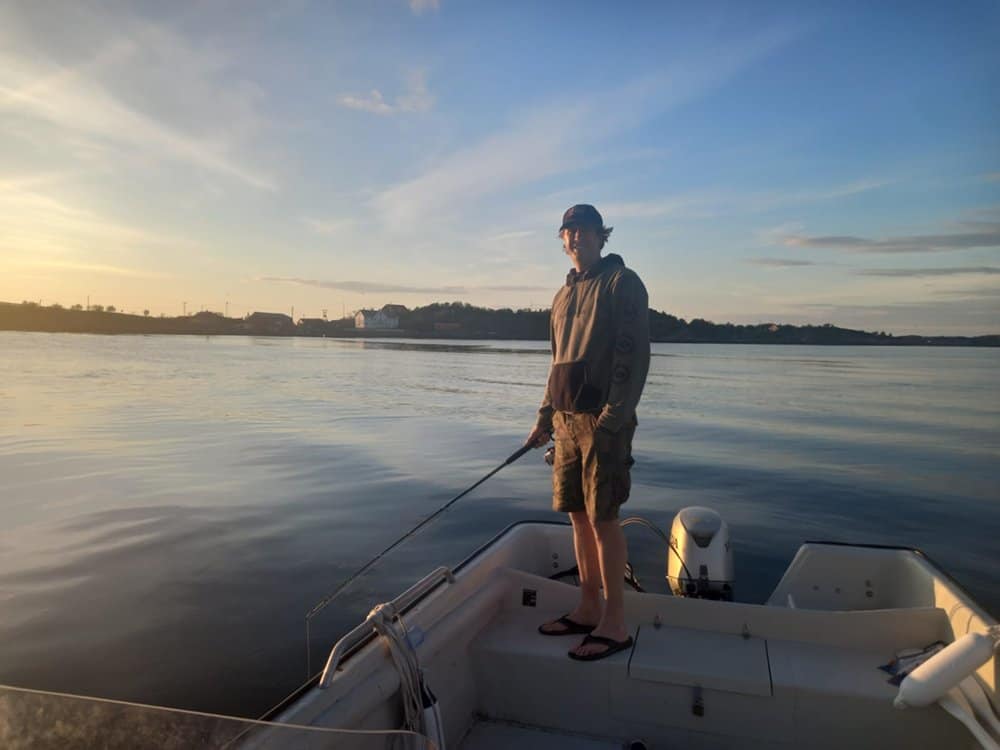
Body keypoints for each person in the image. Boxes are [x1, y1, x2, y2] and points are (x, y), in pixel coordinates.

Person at [525, 203, 650, 661]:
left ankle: (615, 624)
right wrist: (544, 419)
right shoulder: (561, 297)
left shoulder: (622, 283)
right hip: (565, 421)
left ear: (602, 236)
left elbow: (633, 356)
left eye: (585, 230)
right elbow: (555, 363)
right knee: (576, 515)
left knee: (604, 518)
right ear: (562, 239)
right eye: (569, 231)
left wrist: (612, 419)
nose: (576, 237)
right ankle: (587, 606)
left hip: (602, 421)